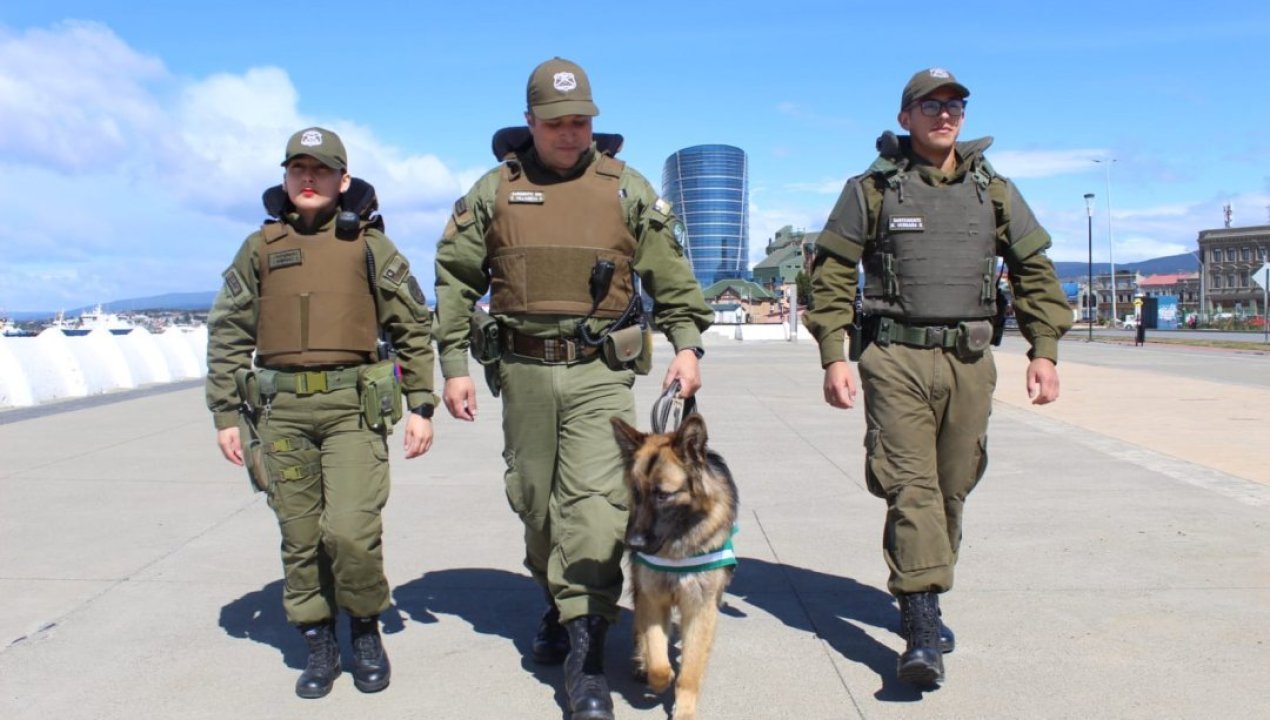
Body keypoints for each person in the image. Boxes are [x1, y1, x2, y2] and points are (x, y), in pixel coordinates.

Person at [433, 58, 712, 720]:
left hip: (599, 373)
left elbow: (671, 276)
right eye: (556, 122)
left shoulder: (626, 188)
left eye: (581, 121)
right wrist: (453, 365)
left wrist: (688, 346)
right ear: (530, 121)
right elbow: (454, 279)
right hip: (523, 372)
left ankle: (586, 654)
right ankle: (558, 602)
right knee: (535, 503)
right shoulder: (494, 190)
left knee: (595, 508)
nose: (569, 132)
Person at [802, 68, 1072, 687]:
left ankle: (923, 589)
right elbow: (833, 274)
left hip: (970, 361)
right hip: (895, 356)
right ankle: (921, 625)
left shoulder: (994, 191)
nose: (944, 114)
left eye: (955, 104)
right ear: (906, 117)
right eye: (930, 105)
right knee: (911, 486)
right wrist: (834, 354)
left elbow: (1034, 270)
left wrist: (1045, 350)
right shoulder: (871, 190)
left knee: (953, 484)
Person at [205, 127, 438, 699]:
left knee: (352, 531)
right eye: (298, 170)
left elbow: (412, 324)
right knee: (301, 534)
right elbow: (229, 331)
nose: (308, 179)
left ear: (343, 179)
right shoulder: (260, 247)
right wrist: (226, 414)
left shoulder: (370, 246)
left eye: (321, 170)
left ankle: (364, 629)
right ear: (285, 178)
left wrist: (421, 405)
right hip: (280, 410)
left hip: (350, 408)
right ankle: (318, 641)